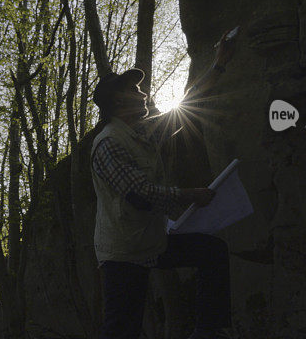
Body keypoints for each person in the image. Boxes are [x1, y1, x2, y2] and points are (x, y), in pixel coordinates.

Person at [90, 28, 239, 339]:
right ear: (119, 100)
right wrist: (191, 196)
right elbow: (140, 195)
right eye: (136, 90)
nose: (144, 94)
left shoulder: (144, 133)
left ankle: (208, 331)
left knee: (211, 252)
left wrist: (219, 64)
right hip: (123, 254)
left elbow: (190, 101)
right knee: (121, 330)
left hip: (153, 242)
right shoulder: (108, 144)